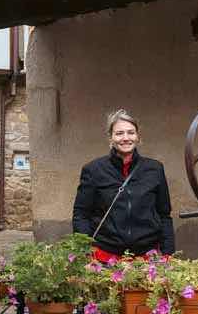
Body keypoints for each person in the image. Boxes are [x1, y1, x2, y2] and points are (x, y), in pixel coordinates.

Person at [72, 109, 175, 263]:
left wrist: (168, 253)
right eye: (119, 133)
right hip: (105, 257)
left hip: (147, 257)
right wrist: (86, 251)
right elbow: (81, 214)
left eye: (131, 133)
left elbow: (164, 214)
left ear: (138, 136)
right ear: (111, 137)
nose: (126, 138)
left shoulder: (154, 169)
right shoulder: (94, 170)